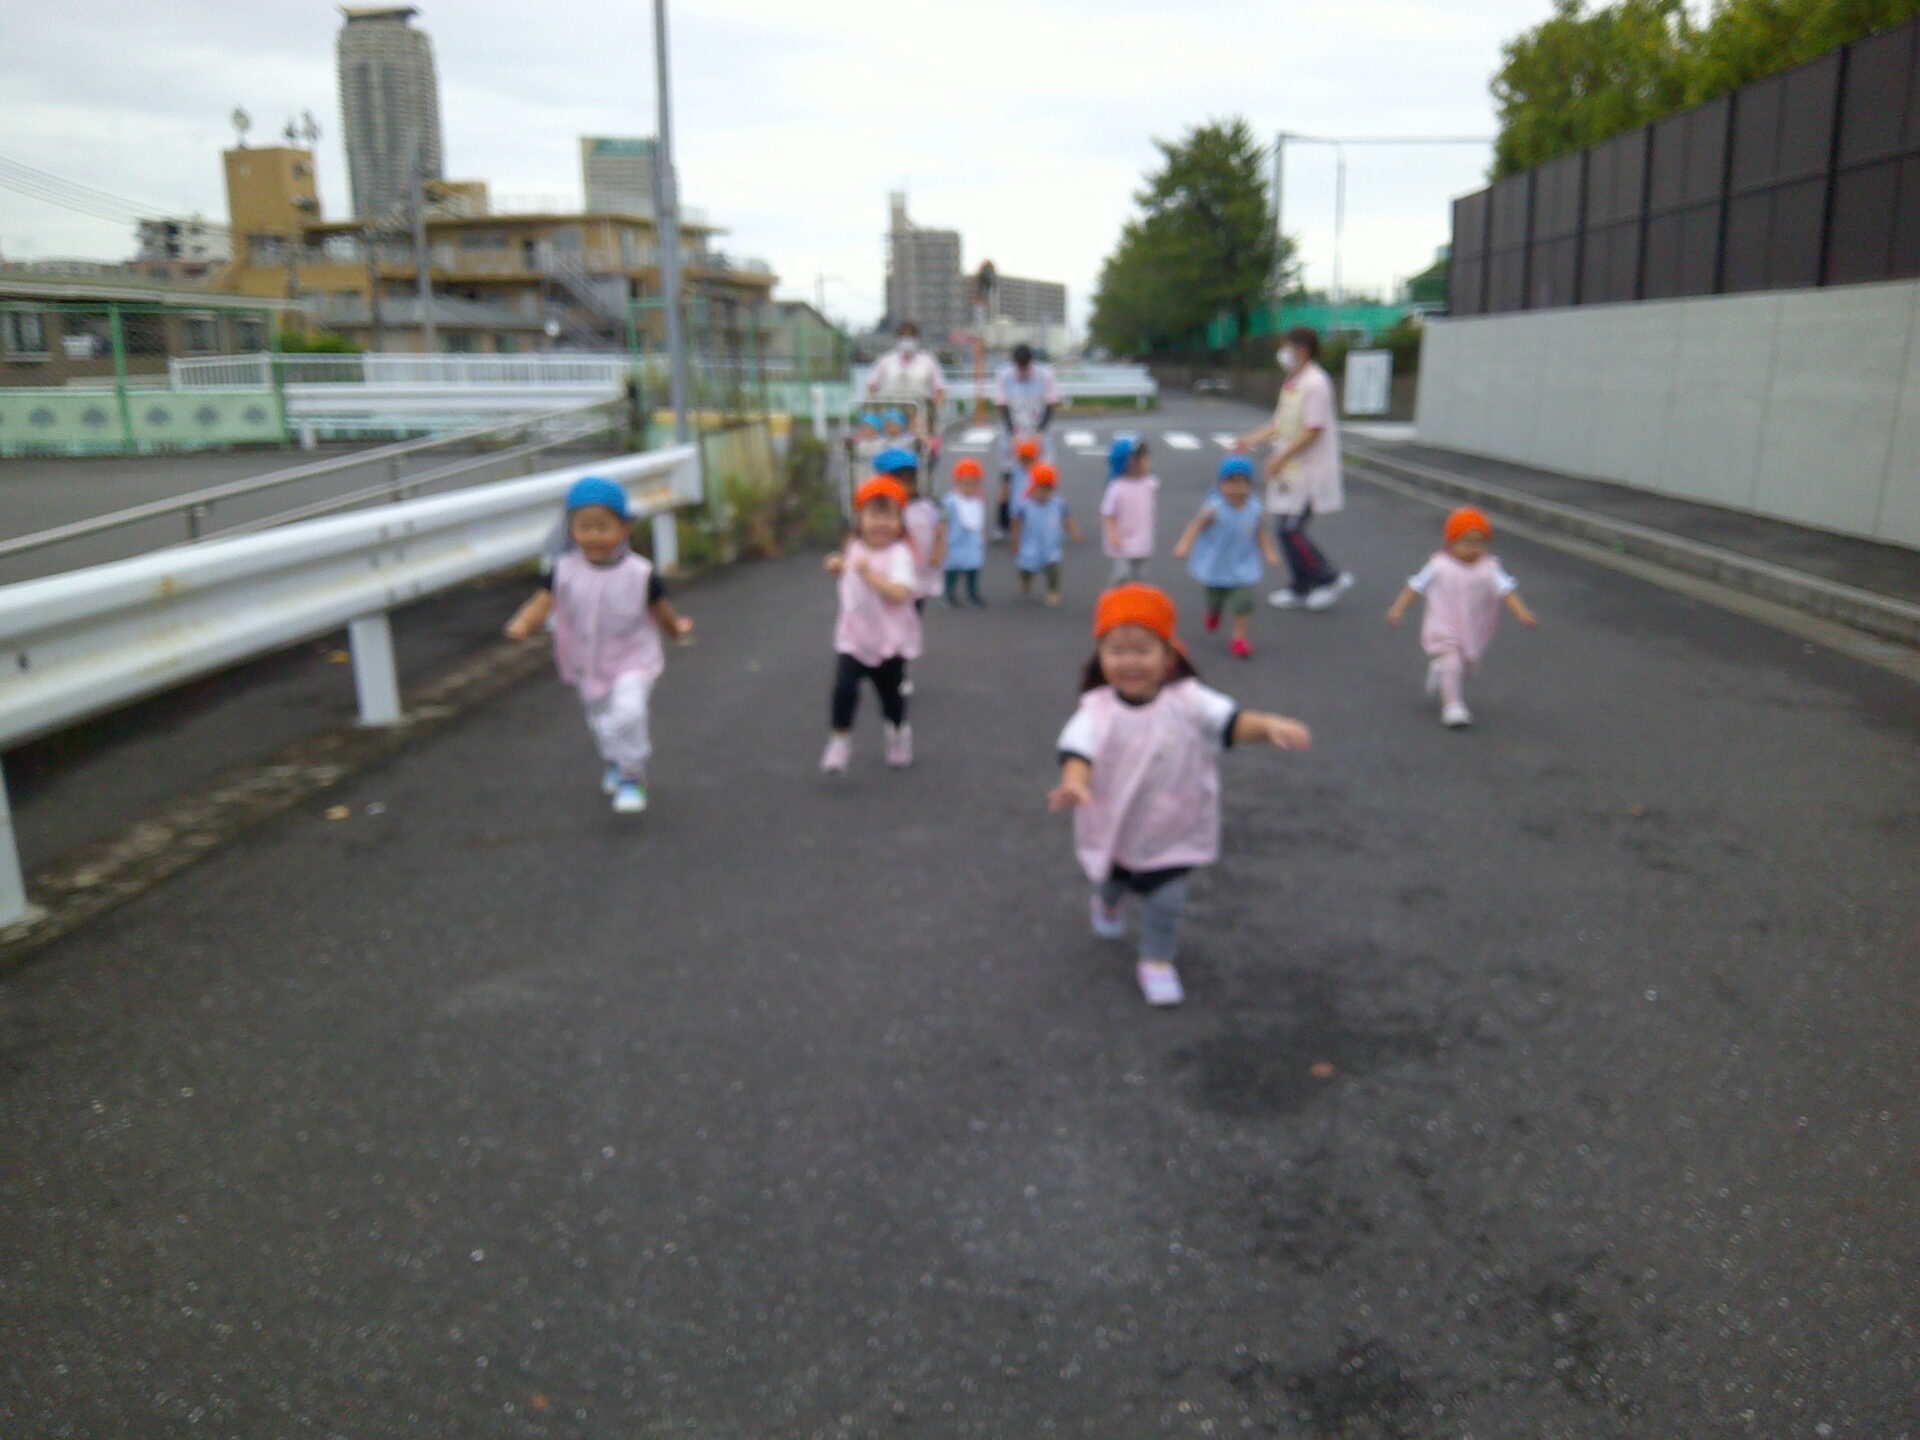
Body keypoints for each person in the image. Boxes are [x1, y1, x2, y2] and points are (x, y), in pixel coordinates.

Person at [1048, 585, 1311, 1006]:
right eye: (1117, 651)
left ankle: (1156, 960)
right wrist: (1075, 781)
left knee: (1166, 899)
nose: (1130, 661)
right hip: (1115, 823)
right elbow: (1078, 751)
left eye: (1143, 650)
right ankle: (1107, 903)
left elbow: (1231, 722)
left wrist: (1267, 727)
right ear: (1099, 657)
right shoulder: (1097, 709)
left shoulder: (1189, 699)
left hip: (1172, 827)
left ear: (1169, 655)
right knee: (1110, 879)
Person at [504, 476, 694, 814]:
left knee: (629, 712)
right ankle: (615, 760)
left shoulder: (640, 572)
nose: (593, 536)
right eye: (583, 527)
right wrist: (522, 623)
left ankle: (632, 775)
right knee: (600, 720)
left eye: (603, 527)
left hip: (634, 656)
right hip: (586, 660)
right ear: (570, 530)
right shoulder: (563, 570)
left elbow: (660, 609)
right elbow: (542, 601)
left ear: (624, 528)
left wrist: (675, 630)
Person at [1230, 326, 1352, 611]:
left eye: (1286, 348)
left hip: (1310, 471)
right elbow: (1279, 423)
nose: (1282, 354)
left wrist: (1280, 458)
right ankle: (1301, 585)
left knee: (1291, 530)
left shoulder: (1316, 384)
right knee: (1285, 529)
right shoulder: (1293, 382)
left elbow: (1313, 430)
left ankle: (1329, 578)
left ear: (1302, 350)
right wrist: (1249, 440)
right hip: (1292, 472)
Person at [1385, 506, 1538, 728]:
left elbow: (1507, 591)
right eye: (1466, 542)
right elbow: (1416, 586)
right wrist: (1398, 608)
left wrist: (1523, 613)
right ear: (1450, 543)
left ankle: (1441, 669)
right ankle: (1453, 706)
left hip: (1472, 625)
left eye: (1479, 543)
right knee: (1453, 661)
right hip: (1443, 623)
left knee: (1467, 667)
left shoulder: (1489, 568)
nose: (1473, 548)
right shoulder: (1439, 565)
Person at [821, 475, 923, 773]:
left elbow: (901, 593)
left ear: (900, 522)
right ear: (859, 520)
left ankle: (898, 733)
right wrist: (836, 566)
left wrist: (869, 575)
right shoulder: (854, 545)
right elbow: (848, 571)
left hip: (889, 641)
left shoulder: (900, 554)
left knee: (891, 699)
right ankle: (840, 741)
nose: (881, 524)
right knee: (843, 689)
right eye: (873, 516)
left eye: (888, 517)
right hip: (854, 636)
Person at [1172, 456, 1282, 660]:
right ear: (1220, 484)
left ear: (1249, 485)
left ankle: (1239, 637)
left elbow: (1260, 532)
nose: (1236, 489)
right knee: (1215, 597)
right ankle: (1214, 611)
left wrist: (1269, 552)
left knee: (1244, 601)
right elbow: (1195, 525)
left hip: (1243, 565)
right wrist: (1184, 544)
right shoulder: (1213, 508)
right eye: (1230, 483)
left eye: (1242, 483)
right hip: (1216, 565)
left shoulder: (1254, 509)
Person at [1009, 462, 1081, 605]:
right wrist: (1015, 541)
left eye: (1047, 491)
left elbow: (1066, 519)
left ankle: (1053, 591)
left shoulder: (1058, 504)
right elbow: (1016, 523)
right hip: (1030, 545)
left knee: (1053, 569)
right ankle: (1025, 581)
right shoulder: (1025, 505)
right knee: (1026, 569)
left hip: (1050, 546)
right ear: (1032, 488)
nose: (1043, 494)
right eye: (1040, 490)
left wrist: (1074, 532)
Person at [994, 340, 1059, 491]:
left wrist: (1039, 432)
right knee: (1009, 473)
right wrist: (1012, 434)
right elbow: (1003, 406)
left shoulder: (1045, 375)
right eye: (1020, 366)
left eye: (1025, 366)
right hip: (1014, 432)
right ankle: (1008, 504)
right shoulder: (1004, 375)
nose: (1023, 370)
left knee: (1042, 474)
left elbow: (1050, 405)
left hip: (1038, 431)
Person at [1099, 436, 1158, 585]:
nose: (1147, 463)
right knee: (1122, 574)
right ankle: (1116, 595)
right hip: (1122, 540)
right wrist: (1112, 534)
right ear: (1130, 463)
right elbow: (1108, 513)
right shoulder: (1117, 488)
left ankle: (1136, 596)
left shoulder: (1148, 483)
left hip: (1142, 538)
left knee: (1141, 575)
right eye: (1143, 459)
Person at [864, 320, 947, 422]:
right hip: (890, 410)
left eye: (910, 337)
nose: (907, 340)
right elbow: (871, 385)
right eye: (903, 337)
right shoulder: (885, 360)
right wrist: (873, 404)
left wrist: (933, 408)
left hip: (919, 410)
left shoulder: (928, 361)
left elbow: (940, 389)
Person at [942, 458, 989, 606]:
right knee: (952, 570)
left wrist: (982, 535)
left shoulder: (978, 501)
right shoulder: (950, 501)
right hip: (954, 542)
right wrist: (941, 540)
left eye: (974, 484)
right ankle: (949, 595)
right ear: (957, 482)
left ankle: (972, 593)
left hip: (972, 543)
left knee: (973, 569)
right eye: (966, 484)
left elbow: (979, 521)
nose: (970, 488)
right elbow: (943, 521)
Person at [998, 435, 1042, 540]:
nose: (1026, 461)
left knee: (1032, 523)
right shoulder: (1014, 470)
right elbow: (1007, 484)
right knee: (1016, 523)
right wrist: (1003, 495)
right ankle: (1014, 540)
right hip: (1017, 502)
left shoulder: (1039, 471)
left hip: (1032, 502)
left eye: (1029, 458)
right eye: (1024, 458)